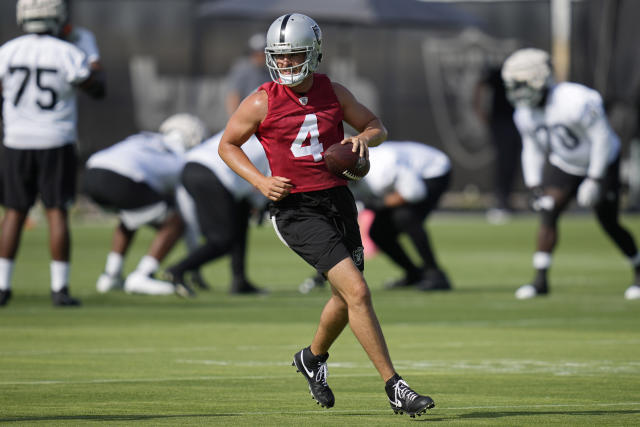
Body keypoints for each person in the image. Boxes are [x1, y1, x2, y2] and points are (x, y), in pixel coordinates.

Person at [218, 13, 435, 417]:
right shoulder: (262, 99)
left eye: (293, 55)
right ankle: (395, 387)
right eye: (279, 57)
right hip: (295, 209)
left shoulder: (332, 91)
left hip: (337, 201)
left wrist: (362, 139)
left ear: (314, 52)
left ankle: (313, 358)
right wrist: (260, 182)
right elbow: (227, 145)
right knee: (358, 291)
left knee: (344, 295)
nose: (285, 64)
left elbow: (376, 125)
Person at [501, 48, 640, 300]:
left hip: (602, 161)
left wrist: (595, 178)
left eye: (521, 84)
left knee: (608, 222)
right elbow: (531, 148)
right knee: (548, 212)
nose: (517, 92)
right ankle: (540, 280)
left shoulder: (576, 100)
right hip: (565, 162)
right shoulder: (524, 113)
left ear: (538, 79)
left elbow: (601, 140)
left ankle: (639, 271)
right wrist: (534, 186)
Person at [0, 0, 105, 307]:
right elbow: (95, 88)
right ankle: (59, 289)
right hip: (55, 138)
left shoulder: (9, 50)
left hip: (16, 139)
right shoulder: (68, 51)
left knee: (14, 212)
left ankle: (3, 286)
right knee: (56, 211)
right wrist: (94, 63)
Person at [83, 113, 207, 297]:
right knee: (175, 221)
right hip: (122, 178)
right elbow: (187, 213)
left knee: (132, 214)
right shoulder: (182, 160)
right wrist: (194, 264)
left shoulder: (144, 137)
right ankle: (143, 275)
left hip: (91, 172)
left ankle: (111, 275)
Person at [164, 130, 270, 295]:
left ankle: (239, 281)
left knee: (239, 219)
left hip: (191, 166)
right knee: (222, 240)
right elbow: (269, 186)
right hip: (214, 174)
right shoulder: (275, 143)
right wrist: (262, 205)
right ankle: (177, 270)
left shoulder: (247, 127)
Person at [354, 141, 452, 291]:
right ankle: (414, 274)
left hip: (434, 169)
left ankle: (435, 274)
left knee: (405, 217)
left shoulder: (382, 170)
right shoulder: (345, 173)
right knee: (377, 232)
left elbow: (414, 193)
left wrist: (381, 204)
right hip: (404, 179)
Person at [473, 64, 522, 224]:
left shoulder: (523, 71)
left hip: (520, 121)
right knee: (504, 161)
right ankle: (500, 200)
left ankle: (509, 198)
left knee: (515, 160)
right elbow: (480, 86)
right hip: (501, 121)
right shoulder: (500, 72)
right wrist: (479, 109)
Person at [224, 32, 271, 117]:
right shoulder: (242, 69)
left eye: (263, 54)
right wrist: (236, 119)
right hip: (246, 117)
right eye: (257, 53)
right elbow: (234, 96)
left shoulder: (270, 71)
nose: (260, 57)